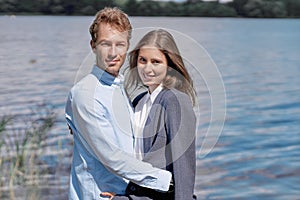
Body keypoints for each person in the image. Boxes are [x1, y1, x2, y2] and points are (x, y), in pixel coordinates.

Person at [65, 8, 172, 200]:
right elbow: (111, 156)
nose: (113, 53)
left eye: (120, 44)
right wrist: (166, 181)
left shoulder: (119, 87)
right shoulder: (85, 94)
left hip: (125, 195)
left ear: (127, 46)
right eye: (105, 44)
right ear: (93, 46)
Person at [110, 29, 197, 200]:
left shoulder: (175, 101)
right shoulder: (139, 101)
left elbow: (184, 166)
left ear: (169, 65)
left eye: (156, 62)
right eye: (143, 60)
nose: (147, 68)